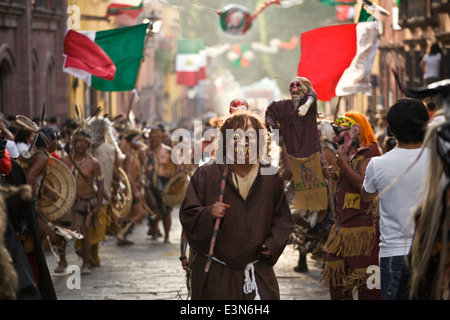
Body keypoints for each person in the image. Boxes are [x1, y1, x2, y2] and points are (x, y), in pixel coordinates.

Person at [179, 111, 295, 300]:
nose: (243, 141)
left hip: (257, 273)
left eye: (250, 136)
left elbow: (282, 219)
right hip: (215, 274)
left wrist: (273, 243)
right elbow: (188, 214)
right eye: (235, 136)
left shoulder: (270, 176)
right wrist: (209, 213)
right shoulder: (206, 174)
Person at [361, 98, 430, 300]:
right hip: (430, 250)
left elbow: (366, 195)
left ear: (391, 130)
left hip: (393, 254)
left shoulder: (378, 164)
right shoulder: (439, 159)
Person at [265, 76, 327, 273]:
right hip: (292, 161)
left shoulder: (310, 103)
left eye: (299, 86)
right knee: (293, 208)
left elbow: (313, 95)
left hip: (311, 160)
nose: (294, 89)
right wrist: (271, 125)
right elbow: (270, 112)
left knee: (323, 203)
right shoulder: (282, 106)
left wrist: (307, 104)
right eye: (292, 86)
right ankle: (300, 253)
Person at [321, 111, 382, 300]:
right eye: (334, 130)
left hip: (363, 230)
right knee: (336, 276)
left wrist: (344, 165)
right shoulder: (348, 153)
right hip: (342, 227)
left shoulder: (369, 154)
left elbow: (363, 186)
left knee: (367, 281)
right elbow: (348, 181)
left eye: (340, 130)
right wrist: (335, 173)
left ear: (355, 131)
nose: (335, 136)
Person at [74, 117, 122, 266]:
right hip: (85, 199)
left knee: (96, 230)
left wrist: (114, 193)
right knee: (87, 231)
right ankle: (89, 257)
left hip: (101, 197)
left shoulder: (109, 150)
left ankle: (92, 257)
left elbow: (116, 175)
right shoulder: (82, 152)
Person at [58, 128, 103, 274]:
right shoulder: (64, 161)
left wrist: (98, 203)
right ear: (73, 143)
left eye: (84, 142)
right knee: (61, 233)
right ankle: (62, 260)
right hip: (68, 202)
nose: (81, 145)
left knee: (84, 233)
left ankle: (85, 264)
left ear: (88, 145)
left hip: (85, 202)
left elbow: (100, 184)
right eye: (78, 142)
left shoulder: (93, 163)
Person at [116, 129, 152, 245]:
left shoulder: (134, 154)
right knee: (140, 213)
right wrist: (135, 190)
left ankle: (124, 235)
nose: (139, 142)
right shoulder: (130, 156)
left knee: (135, 213)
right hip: (131, 189)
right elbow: (129, 174)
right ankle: (122, 233)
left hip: (132, 187)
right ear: (131, 142)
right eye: (136, 140)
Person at [145, 128, 178, 243]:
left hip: (165, 182)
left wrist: (176, 184)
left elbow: (177, 167)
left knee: (167, 211)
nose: (153, 140)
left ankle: (167, 236)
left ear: (160, 138)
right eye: (151, 137)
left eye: (155, 137)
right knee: (153, 207)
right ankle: (154, 231)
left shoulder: (168, 151)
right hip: (150, 184)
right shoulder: (146, 152)